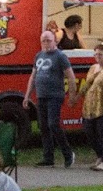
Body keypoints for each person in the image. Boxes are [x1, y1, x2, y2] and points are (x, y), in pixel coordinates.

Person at [22, 30, 75, 168]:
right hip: (41, 95)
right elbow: (33, 76)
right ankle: (48, 157)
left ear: (55, 41)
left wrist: (72, 95)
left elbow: (70, 76)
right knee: (43, 126)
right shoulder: (39, 55)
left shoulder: (60, 56)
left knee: (53, 124)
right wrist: (27, 95)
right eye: (43, 41)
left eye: (48, 40)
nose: (46, 43)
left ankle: (68, 153)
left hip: (55, 95)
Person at [77, 44, 103, 171]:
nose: (97, 57)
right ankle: (99, 156)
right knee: (89, 132)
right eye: (95, 54)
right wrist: (77, 97)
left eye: (100, 54)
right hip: (90, 107)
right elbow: (86, 85)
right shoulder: (92, 68)